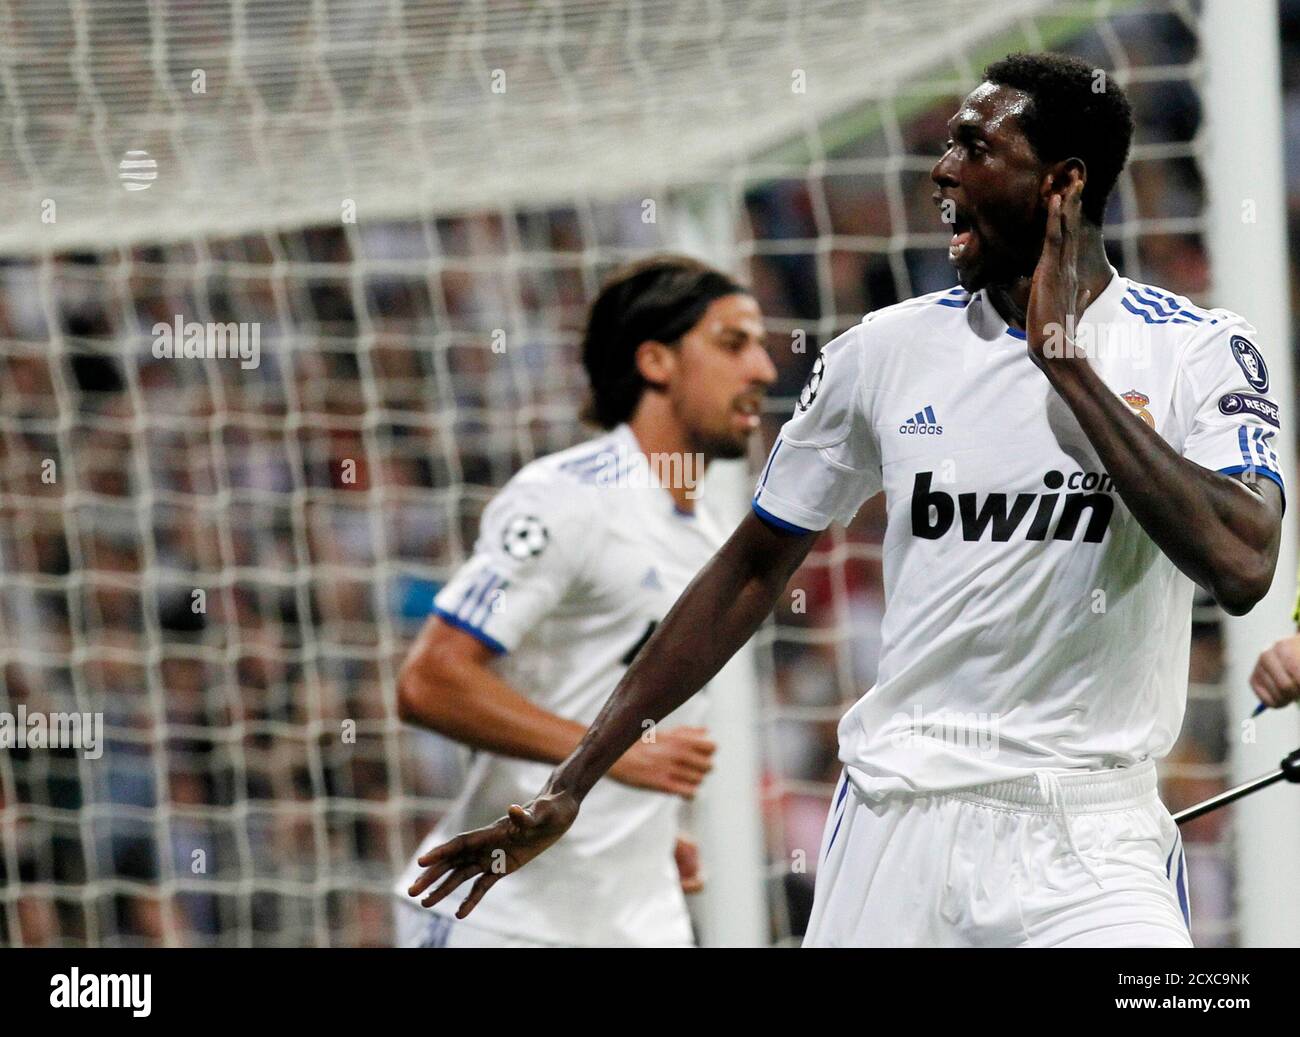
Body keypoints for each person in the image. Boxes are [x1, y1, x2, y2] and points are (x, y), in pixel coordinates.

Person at [409, 52, 1284, 948]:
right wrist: (572, 780)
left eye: (975, 148)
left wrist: (1065, 365)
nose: (942, 171)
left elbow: (1244, 562)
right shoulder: (882, 353)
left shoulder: (1198, 350)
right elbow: (751, 569)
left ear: (1063, 183)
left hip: (1092, 836)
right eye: (947, 145)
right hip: (898, 823)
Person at [395, 254, 776, 946]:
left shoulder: (708, 535)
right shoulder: (567, 497)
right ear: (656, 361)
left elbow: (618, 698)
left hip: (641, 918)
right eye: (733, 343)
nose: (763, 369)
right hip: (504, 917)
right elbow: (430, 681)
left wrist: (649, 831)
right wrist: (618, 759)